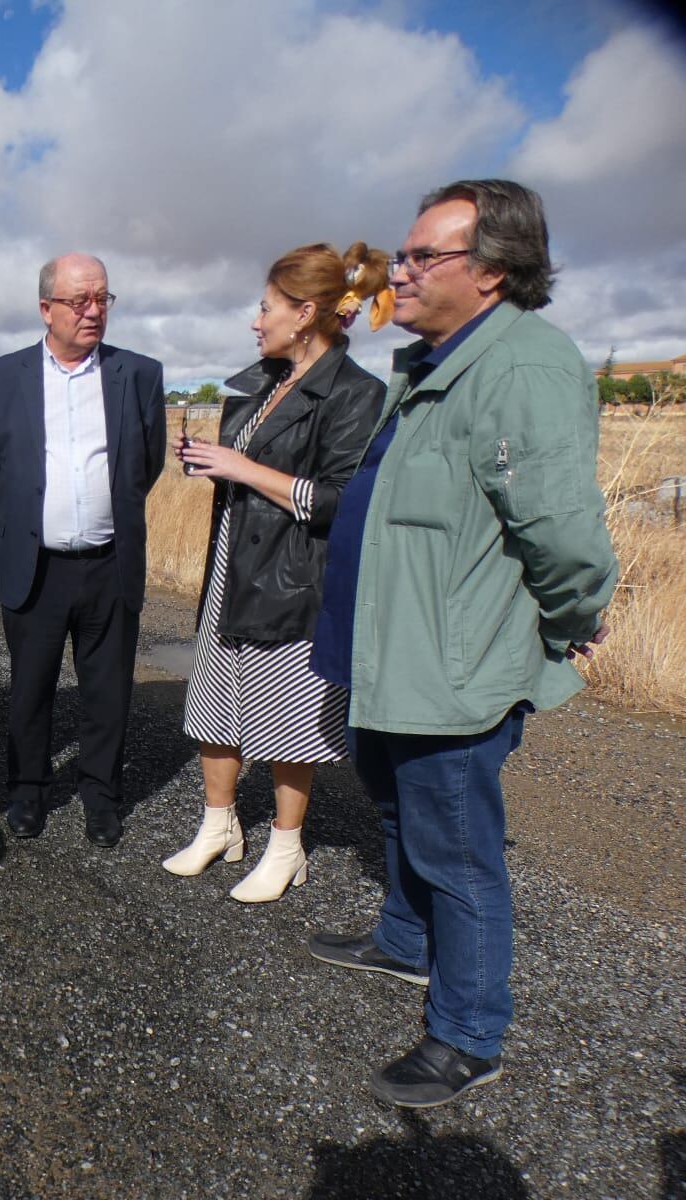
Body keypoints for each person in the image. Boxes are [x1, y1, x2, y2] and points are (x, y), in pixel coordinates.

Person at [305, 180, 617, 1106]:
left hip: (453, 666)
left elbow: (562, 534)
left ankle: (468, 1034)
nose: (394, 272)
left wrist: (563, 632)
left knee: (459, 850)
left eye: (419, 257)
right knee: (396, 808)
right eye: (403, 255)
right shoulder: (433, 359)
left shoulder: (524, 367)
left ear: (493, 272)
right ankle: (405, 940)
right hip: (388, 650)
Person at [166, 242, 391, 902]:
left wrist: (240, 469)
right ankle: (219, 827)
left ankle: (286, 848)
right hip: (235, 563)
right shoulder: (262, 383)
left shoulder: (355, 393)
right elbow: (247, 469)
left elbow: (340, 500)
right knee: (212, 703)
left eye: (265, 307)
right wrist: (212, 462)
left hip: (296, 576)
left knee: (286, 716)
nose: (255, 320)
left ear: (307, 311)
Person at [0, 253, 167, 848]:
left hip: (110, 564)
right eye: (79, 300)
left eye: (102, 299)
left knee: (107, 693)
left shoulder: (139, 374)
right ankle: (27, 791)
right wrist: (35, 518)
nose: (93, 311)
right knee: (30, 689)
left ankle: (100, 798)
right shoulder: (3, 377)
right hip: (37, 565)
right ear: (45, 308)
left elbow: (146, 464)